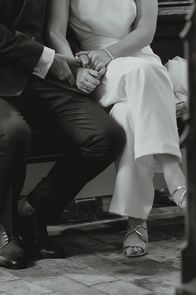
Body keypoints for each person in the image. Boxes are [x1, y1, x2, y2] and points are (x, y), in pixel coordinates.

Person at [47, 0, 187, 258]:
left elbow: (146, 31)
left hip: (139, 57)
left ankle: (136, 220)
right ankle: (171, 168)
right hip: (99, 67)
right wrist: (75, 70)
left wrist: (111, 52)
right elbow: (55, 32)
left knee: (129, 113)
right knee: (144, 74)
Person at [0, 0, 126, 270]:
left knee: (105, 136)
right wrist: (49, 61)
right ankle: (5, 228)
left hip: (37, 75)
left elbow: (57, 27)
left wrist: (76, 65)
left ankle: (32, 211)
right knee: (13, 132)